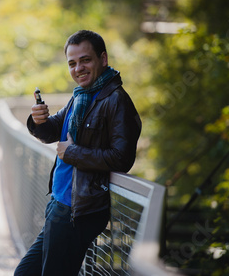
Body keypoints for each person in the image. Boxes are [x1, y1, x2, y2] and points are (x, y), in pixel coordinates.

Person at [14, 30, 142, 276]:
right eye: (72, 63)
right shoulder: (81, 96)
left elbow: (122, 158)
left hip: (78, 211)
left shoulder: (116, 100)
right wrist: (38, 121)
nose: (78, 68)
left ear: (102, 59)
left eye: (85, 60)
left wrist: (72, 153)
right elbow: (52, 132)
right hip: (60, 203)